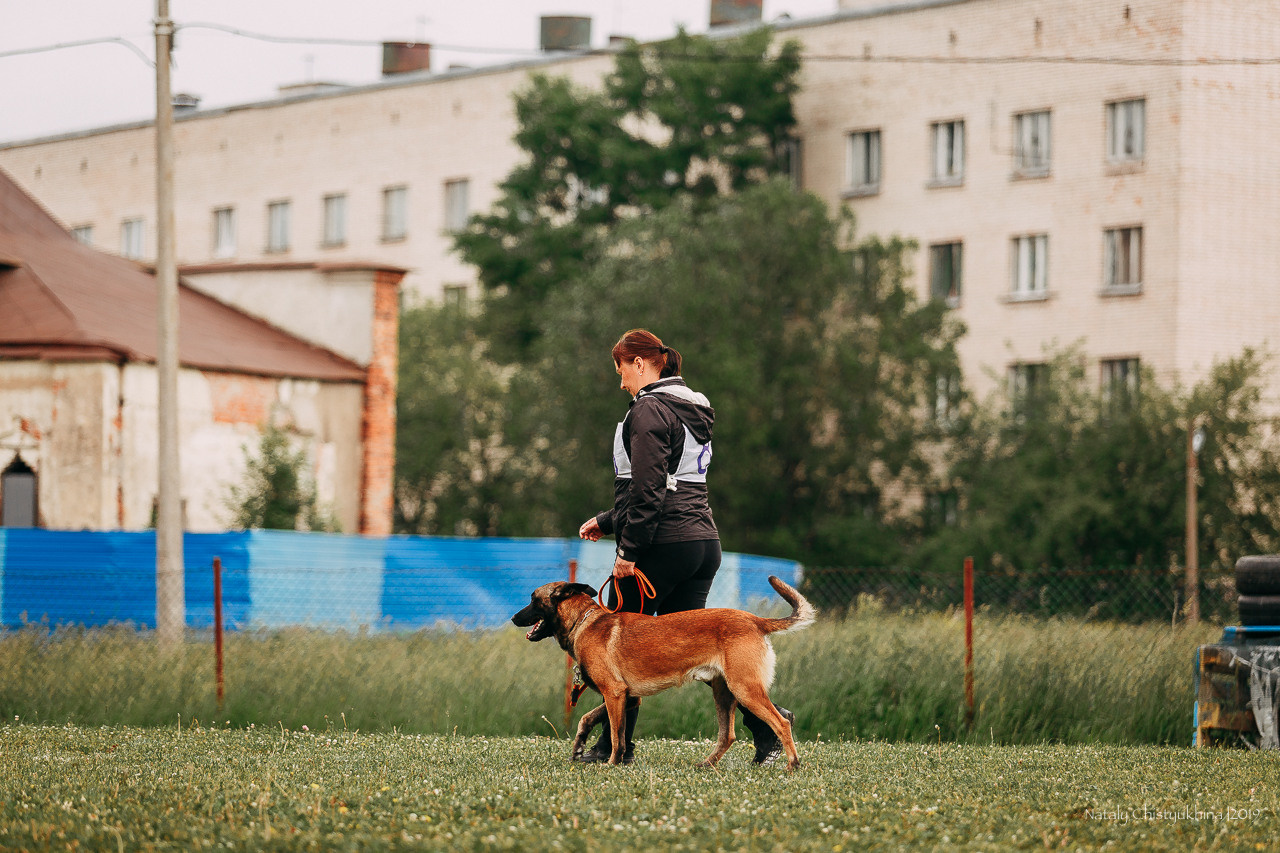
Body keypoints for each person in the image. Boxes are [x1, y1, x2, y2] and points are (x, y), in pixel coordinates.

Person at [576, 328, 794, 764]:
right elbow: (673, 484)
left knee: (621, 647)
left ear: (640, 364)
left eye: (621, 371)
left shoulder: (648, 409)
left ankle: (613, 749)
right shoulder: (693, 405)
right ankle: (768, 729)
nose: (621, 382)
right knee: (699, 647)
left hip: (662, 545)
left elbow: (649, 490)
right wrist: (607, 520)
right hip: (701, 543)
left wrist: (628, 552)